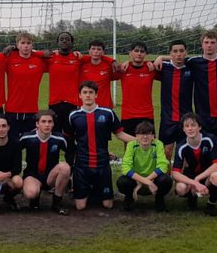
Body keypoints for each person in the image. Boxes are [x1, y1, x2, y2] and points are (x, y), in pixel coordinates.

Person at [69, 81, 135, 210]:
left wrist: (141, 141)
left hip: (102, 164)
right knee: (80, 207)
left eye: (91, 93)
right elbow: (69, 140)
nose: (88, 95)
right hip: (82, 165)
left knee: (108, 205)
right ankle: (88, 191)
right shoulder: (73, 116)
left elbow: (120, 134)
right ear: (80, 95)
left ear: (96, 95)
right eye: (85, 93)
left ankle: (95, 191)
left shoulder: (107, 113)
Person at [170, 113, 217, 215]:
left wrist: (198, 179)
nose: (190, 129)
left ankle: (211, 204)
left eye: (193, 125)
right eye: (187, 126)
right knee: (180, 188)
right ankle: (192, 197)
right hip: (191, 175)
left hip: (207, 175)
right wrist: (194, 183)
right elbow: (175, 173)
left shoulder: (210, 139)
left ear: (199, 127)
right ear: (183, 129)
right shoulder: (181, 146)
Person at [188, 31, 217, 151]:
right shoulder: (193, 62)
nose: (209, 45)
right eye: (206, 42)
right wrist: (161, 57)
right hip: (202, 115)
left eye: (212, 42)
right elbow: (176, 58)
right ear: (201, 44)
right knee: (204, 149)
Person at [18, 110, 70, 215]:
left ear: (53, 124)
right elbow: (13, 150)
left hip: (51, 176)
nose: (47, 124)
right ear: (37, 124)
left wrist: (71, 173)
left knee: (65, 167)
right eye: (43, 121)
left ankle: (57, 202)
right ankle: (35, 199)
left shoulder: (59, 138)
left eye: (50, 122)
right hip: (33, 175)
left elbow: (72, 152)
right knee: (30, 193)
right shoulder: (27, 138)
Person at [116, 121, 172, 212]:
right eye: (141, 134)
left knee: (166, 180)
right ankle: (129, 198)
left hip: (154, 179)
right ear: (136, 136)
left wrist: (146, 181)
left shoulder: (158, 144)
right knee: (122, 182)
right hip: (136, 180)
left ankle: (159, 199)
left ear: (153, 136)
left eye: (148, 134)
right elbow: (125, 168)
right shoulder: (131, 145)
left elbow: (163, 166)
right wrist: (146, 182)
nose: (145, 137)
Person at [154, 40, 195, 161]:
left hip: (186, 117)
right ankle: (166, 178)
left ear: (186, 53)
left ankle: (182, 178)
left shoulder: (192, 67)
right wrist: (160, 58)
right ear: (170, 53)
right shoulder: (163, 67)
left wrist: (161, 56)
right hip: (168, 118)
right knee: (167, 150)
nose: (178, 54)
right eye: (175, 51)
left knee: (185, 150)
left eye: (181, 51)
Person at [4, 32, 48, 139]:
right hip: (12, 111)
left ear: (32, 45)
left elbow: (53, 56)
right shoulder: (9, 58)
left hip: (32, 111)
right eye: (22, 43)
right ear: (17, 45)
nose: (26, 46)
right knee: (13, 146)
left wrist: (38, 54)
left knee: (31, 146)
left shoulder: (39, 61)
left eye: (29, 43)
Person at [44, 32, 82, 155]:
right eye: (61, 39)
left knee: (70, 137)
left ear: (72, 43)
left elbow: (97, 57)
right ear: (57, 42)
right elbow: (31, 53)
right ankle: (52, 167)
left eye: (67, 39)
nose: (64, 41)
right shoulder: (50, 58)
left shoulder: (78, 58)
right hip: (55, 104)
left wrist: (112, 61)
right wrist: (14, 47)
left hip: (72, 104)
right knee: (53, 136)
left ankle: (70, 167)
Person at [116, 41, 157, 141]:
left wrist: (160, 58)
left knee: (149, 146)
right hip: (128, 114)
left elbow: (176, 61)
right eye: (136, 51)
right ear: (130, 53)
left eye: (142, 51)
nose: (139, 53)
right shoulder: (123, 68)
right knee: (129, 147)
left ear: (145, 54)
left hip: (146, 114)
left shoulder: (151, 68)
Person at [79, 40, 118, 108]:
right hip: (85, 106)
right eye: (93, 49)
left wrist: (112, 61)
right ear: (89, 51)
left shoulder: (109, 66)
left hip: (104, 106)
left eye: (99, 49)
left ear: (103, 52)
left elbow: (121, 72)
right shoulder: (81, 64)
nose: (96, 51)